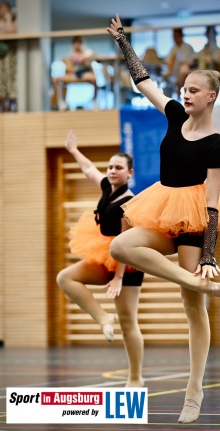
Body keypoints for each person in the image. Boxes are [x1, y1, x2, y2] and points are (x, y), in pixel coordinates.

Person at [107, 14, 220, 423]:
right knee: (121, 245)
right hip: (163, 208)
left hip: (196, 220)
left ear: (211, 96)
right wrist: (124, 43)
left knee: (191, 308)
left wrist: (210, 255)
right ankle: (195, 282)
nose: (186, 94)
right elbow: (143, 82)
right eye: (184, 89)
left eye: (194, 90)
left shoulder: (215, 145)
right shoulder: (175, 116)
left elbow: (213, 201)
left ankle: (193, 391)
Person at [56, 130, 144, 387]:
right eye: (110, 167)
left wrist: (118, 277)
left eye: (119, 167)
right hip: (103, 252)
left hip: (126, 263)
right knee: (66, 278)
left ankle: (136, 378)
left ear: (130, 173)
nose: (112, 171)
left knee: (128, 321)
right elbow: (88, 170)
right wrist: (73, 150)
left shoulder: (129, 202)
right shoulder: (107, 186)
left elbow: (125, 244)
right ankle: (103, 318)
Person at [52, 36, 98, 111]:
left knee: (94, 79)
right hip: (74, 74)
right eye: (75, 44)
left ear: (81, 44)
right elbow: (69, 69)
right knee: (55, 79)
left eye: (78, 43)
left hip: (84, 73)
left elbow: (94, 57)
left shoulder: (86, 52)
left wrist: (86, 58)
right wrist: (66, 62)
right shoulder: (71, 54)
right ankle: (61, 103)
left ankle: (95, 101)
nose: (76, 46)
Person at [164, 27, 196, 97]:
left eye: (177, 36)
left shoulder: (188, 47)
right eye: (174, 37)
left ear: (181, 36)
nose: (175, 38)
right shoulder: (173, 48)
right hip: (174, 74)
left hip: (185, 72)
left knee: (183, 69)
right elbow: (168, 61)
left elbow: (190, 61)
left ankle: (179, 94)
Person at [0, 0, 17, 112]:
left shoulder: (13, 20)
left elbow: (12, 31)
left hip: (10, 57)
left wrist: (8, 19)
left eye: (5, 9)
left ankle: (9, 108)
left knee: (11, 81)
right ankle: (2, 108)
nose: (2, 11)